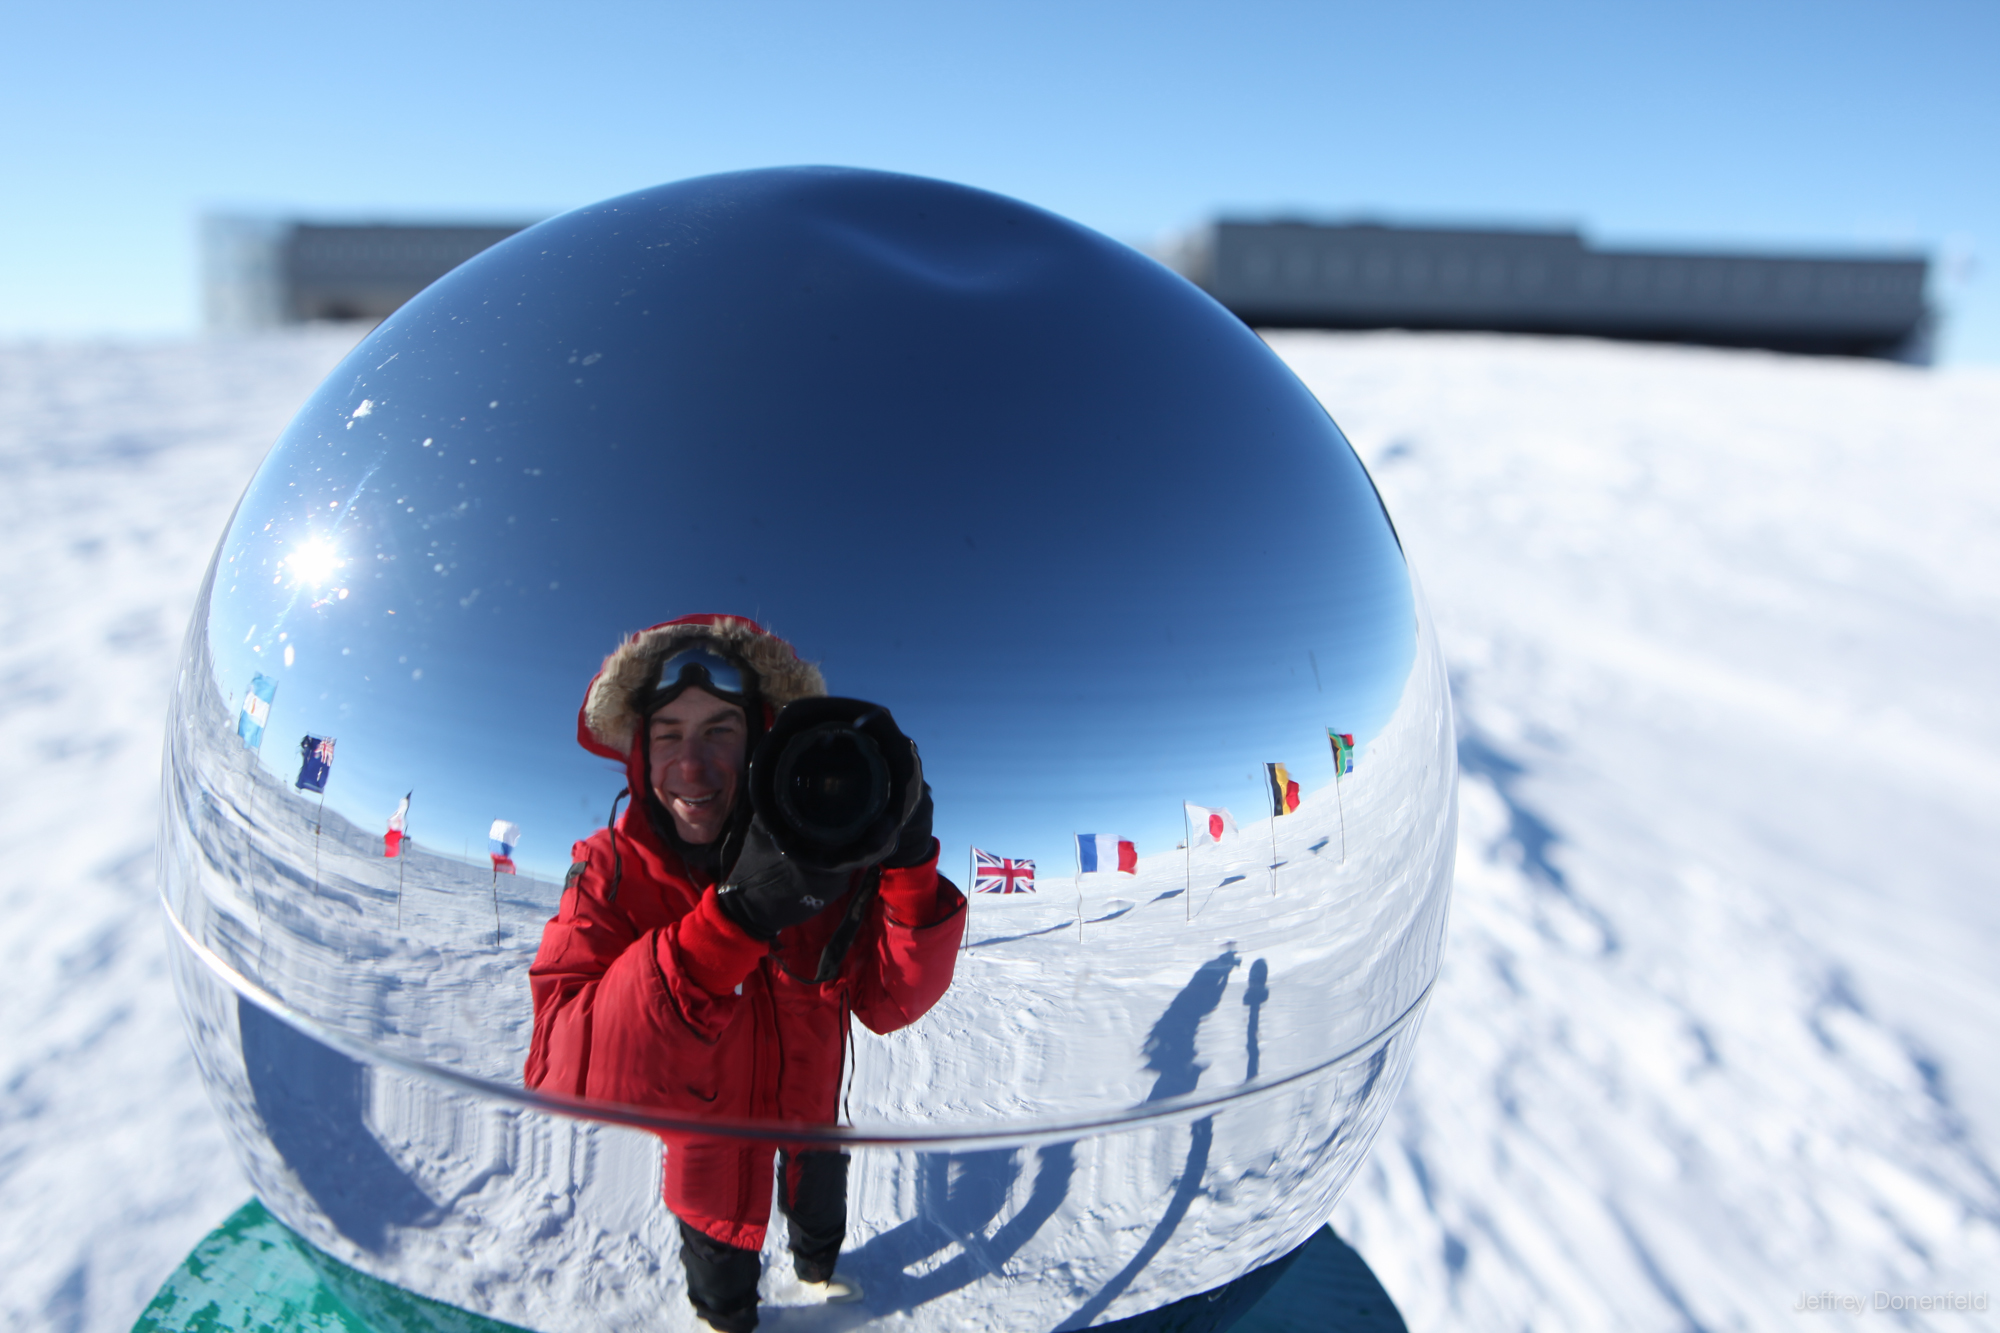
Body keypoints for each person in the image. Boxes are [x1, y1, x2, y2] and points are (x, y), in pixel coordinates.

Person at [524, 614, 965, 1333]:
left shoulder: (828, 854)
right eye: (668, 733)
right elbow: (562, 1065)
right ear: (638, 751)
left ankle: (818, 1269)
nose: (691, 765)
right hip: (710, 1149)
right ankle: (724, 1318)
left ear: (762, 738)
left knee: (820, 1217)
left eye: (720, 730)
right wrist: (724, 929)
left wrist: (910, 871)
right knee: (720, 1277)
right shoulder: (610, 868)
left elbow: (890, 1002)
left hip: (813, 1119)